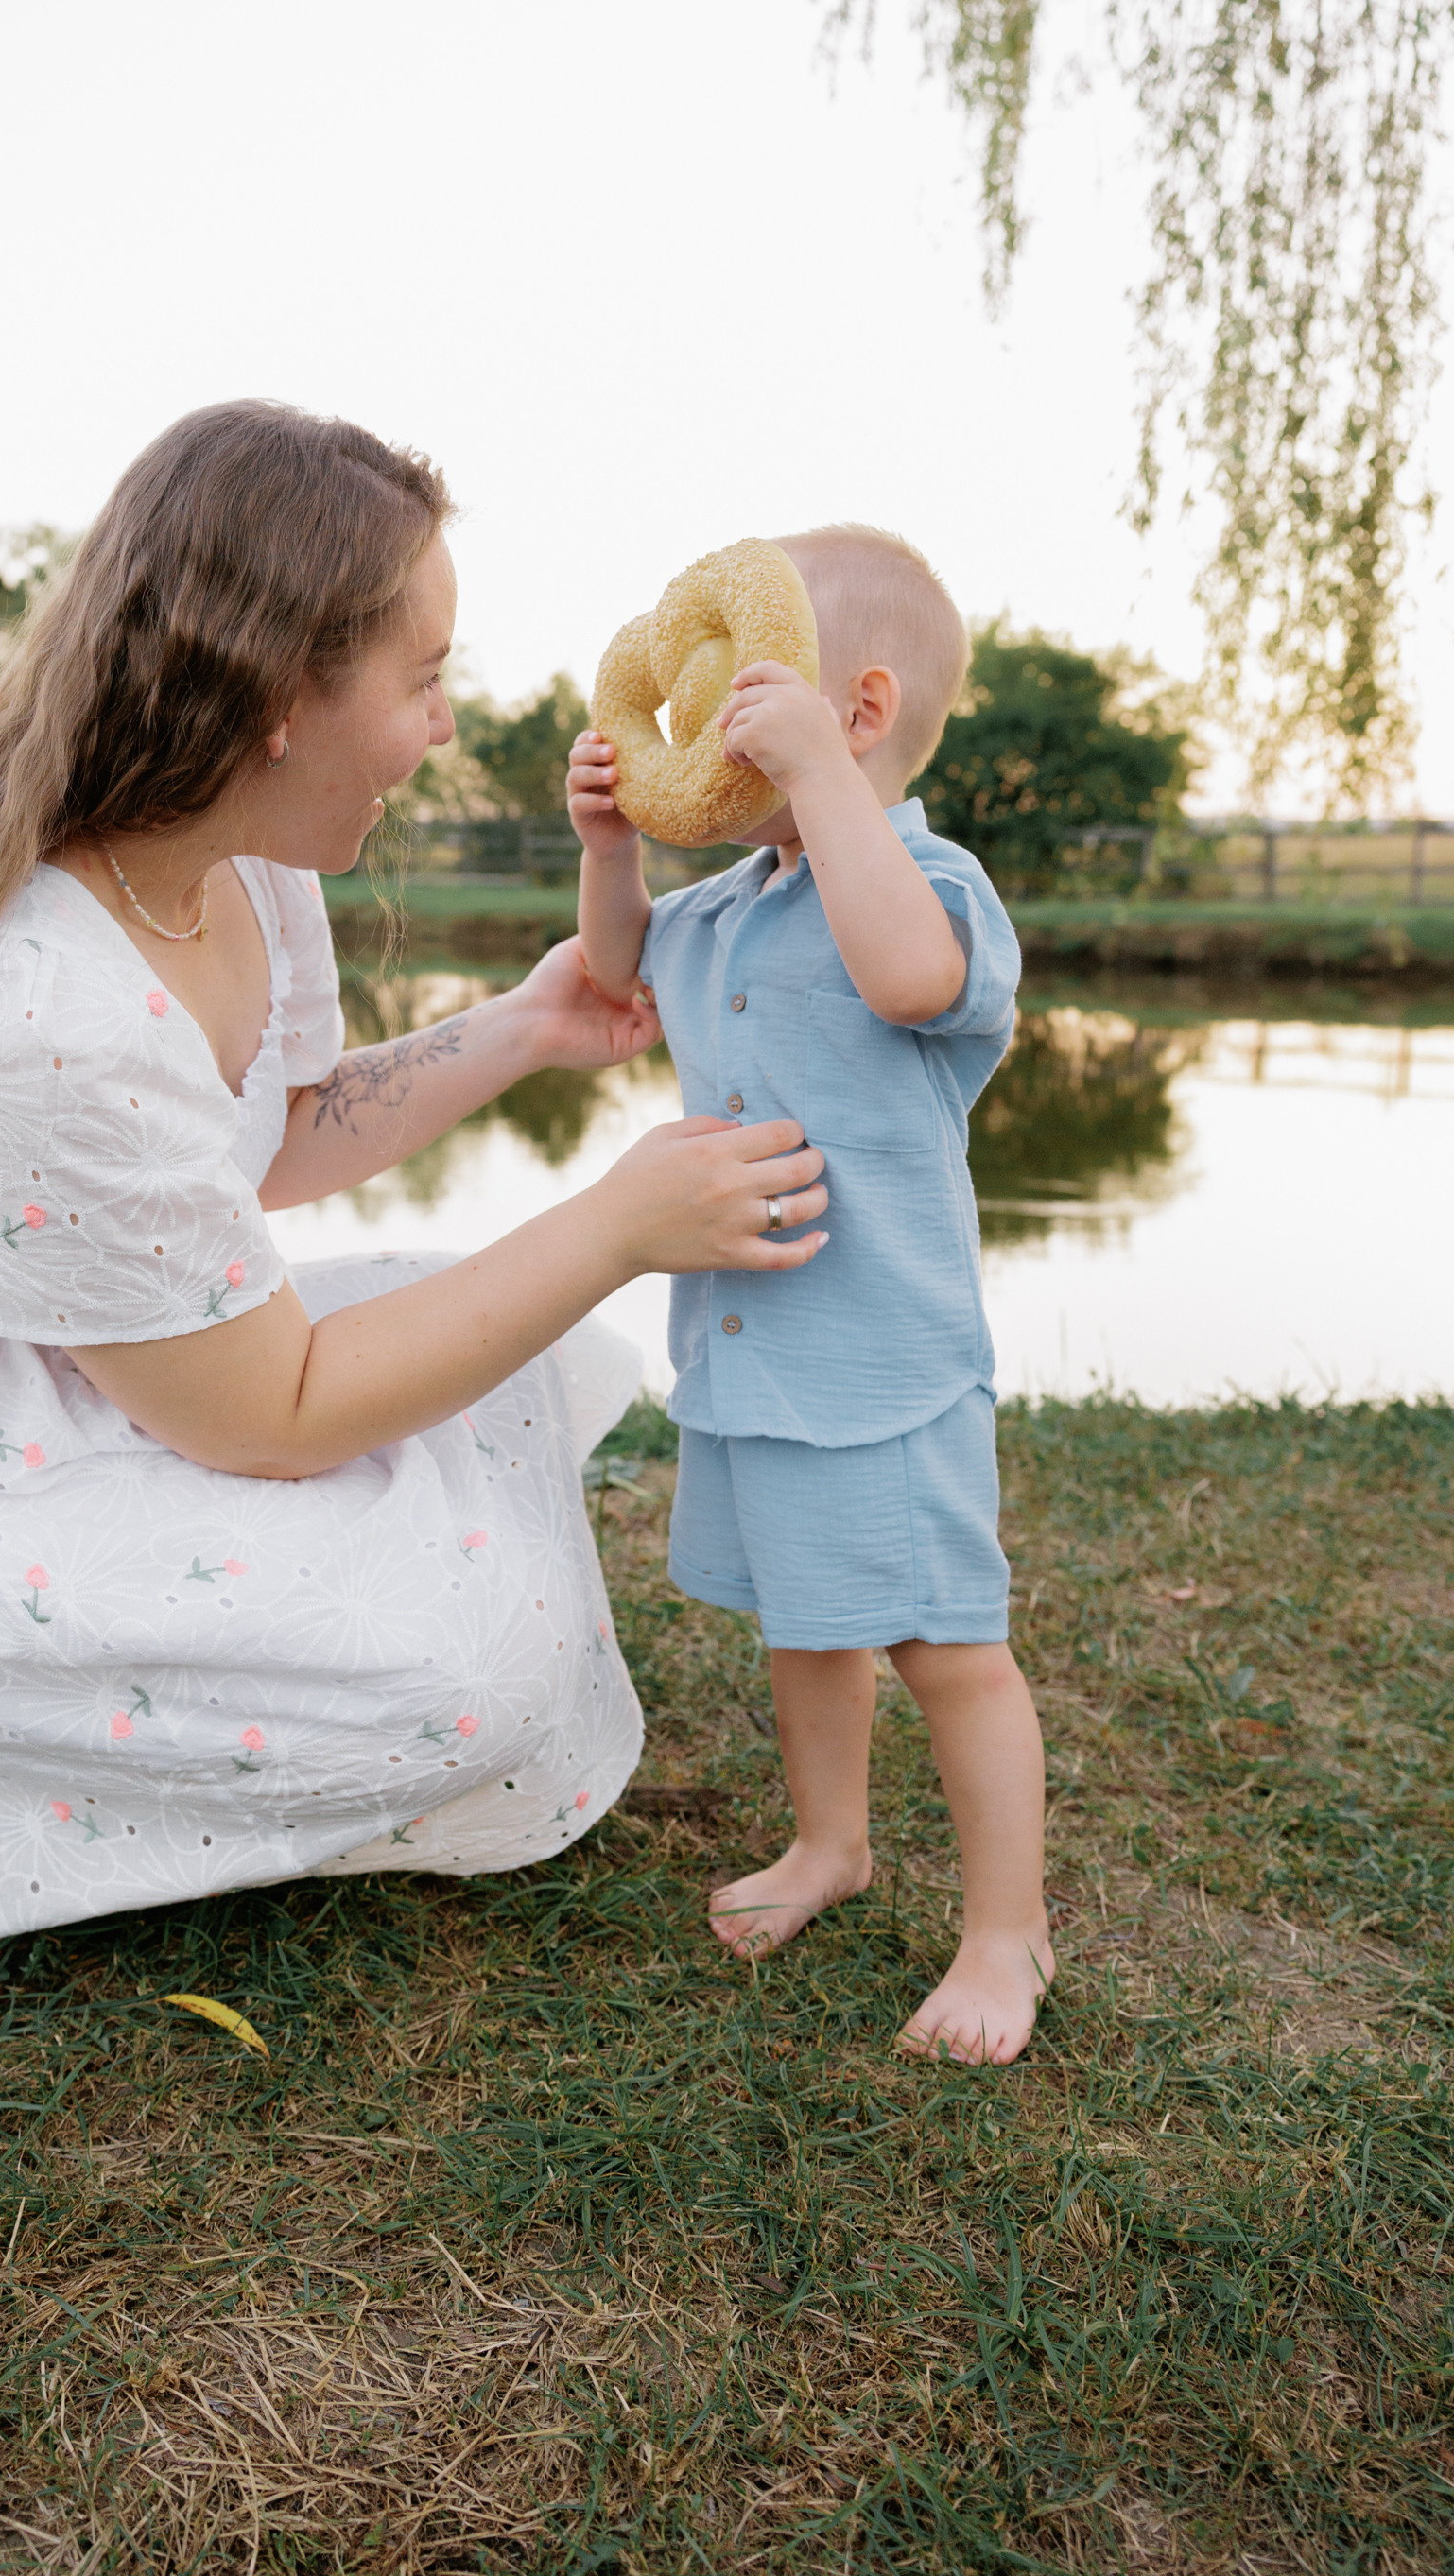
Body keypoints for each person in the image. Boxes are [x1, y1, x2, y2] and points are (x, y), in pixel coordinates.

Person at [0, 403, 830, 1944]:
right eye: (422, 682)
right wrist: (616, 1223)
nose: (441, 730)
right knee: (470, 1667)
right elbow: (271, 1416)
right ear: (285, 693)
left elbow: (258, 1140)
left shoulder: (227, 852)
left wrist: (521, 1027)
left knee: (496, 1381)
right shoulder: (35, 1008)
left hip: (105, 1362)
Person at [566, 526, 1051, 2065]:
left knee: (947, 1649)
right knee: (809, 1628)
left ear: (856, 713)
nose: (710, 716)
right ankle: (830, 1845)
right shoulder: (730, 905)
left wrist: (833, 792)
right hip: (749, 1349)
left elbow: (908, 979)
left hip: (884, 1362)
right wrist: (612, 848)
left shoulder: (925, 882)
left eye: (752, 690)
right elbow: (618, 969)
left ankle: (1007, 1932)